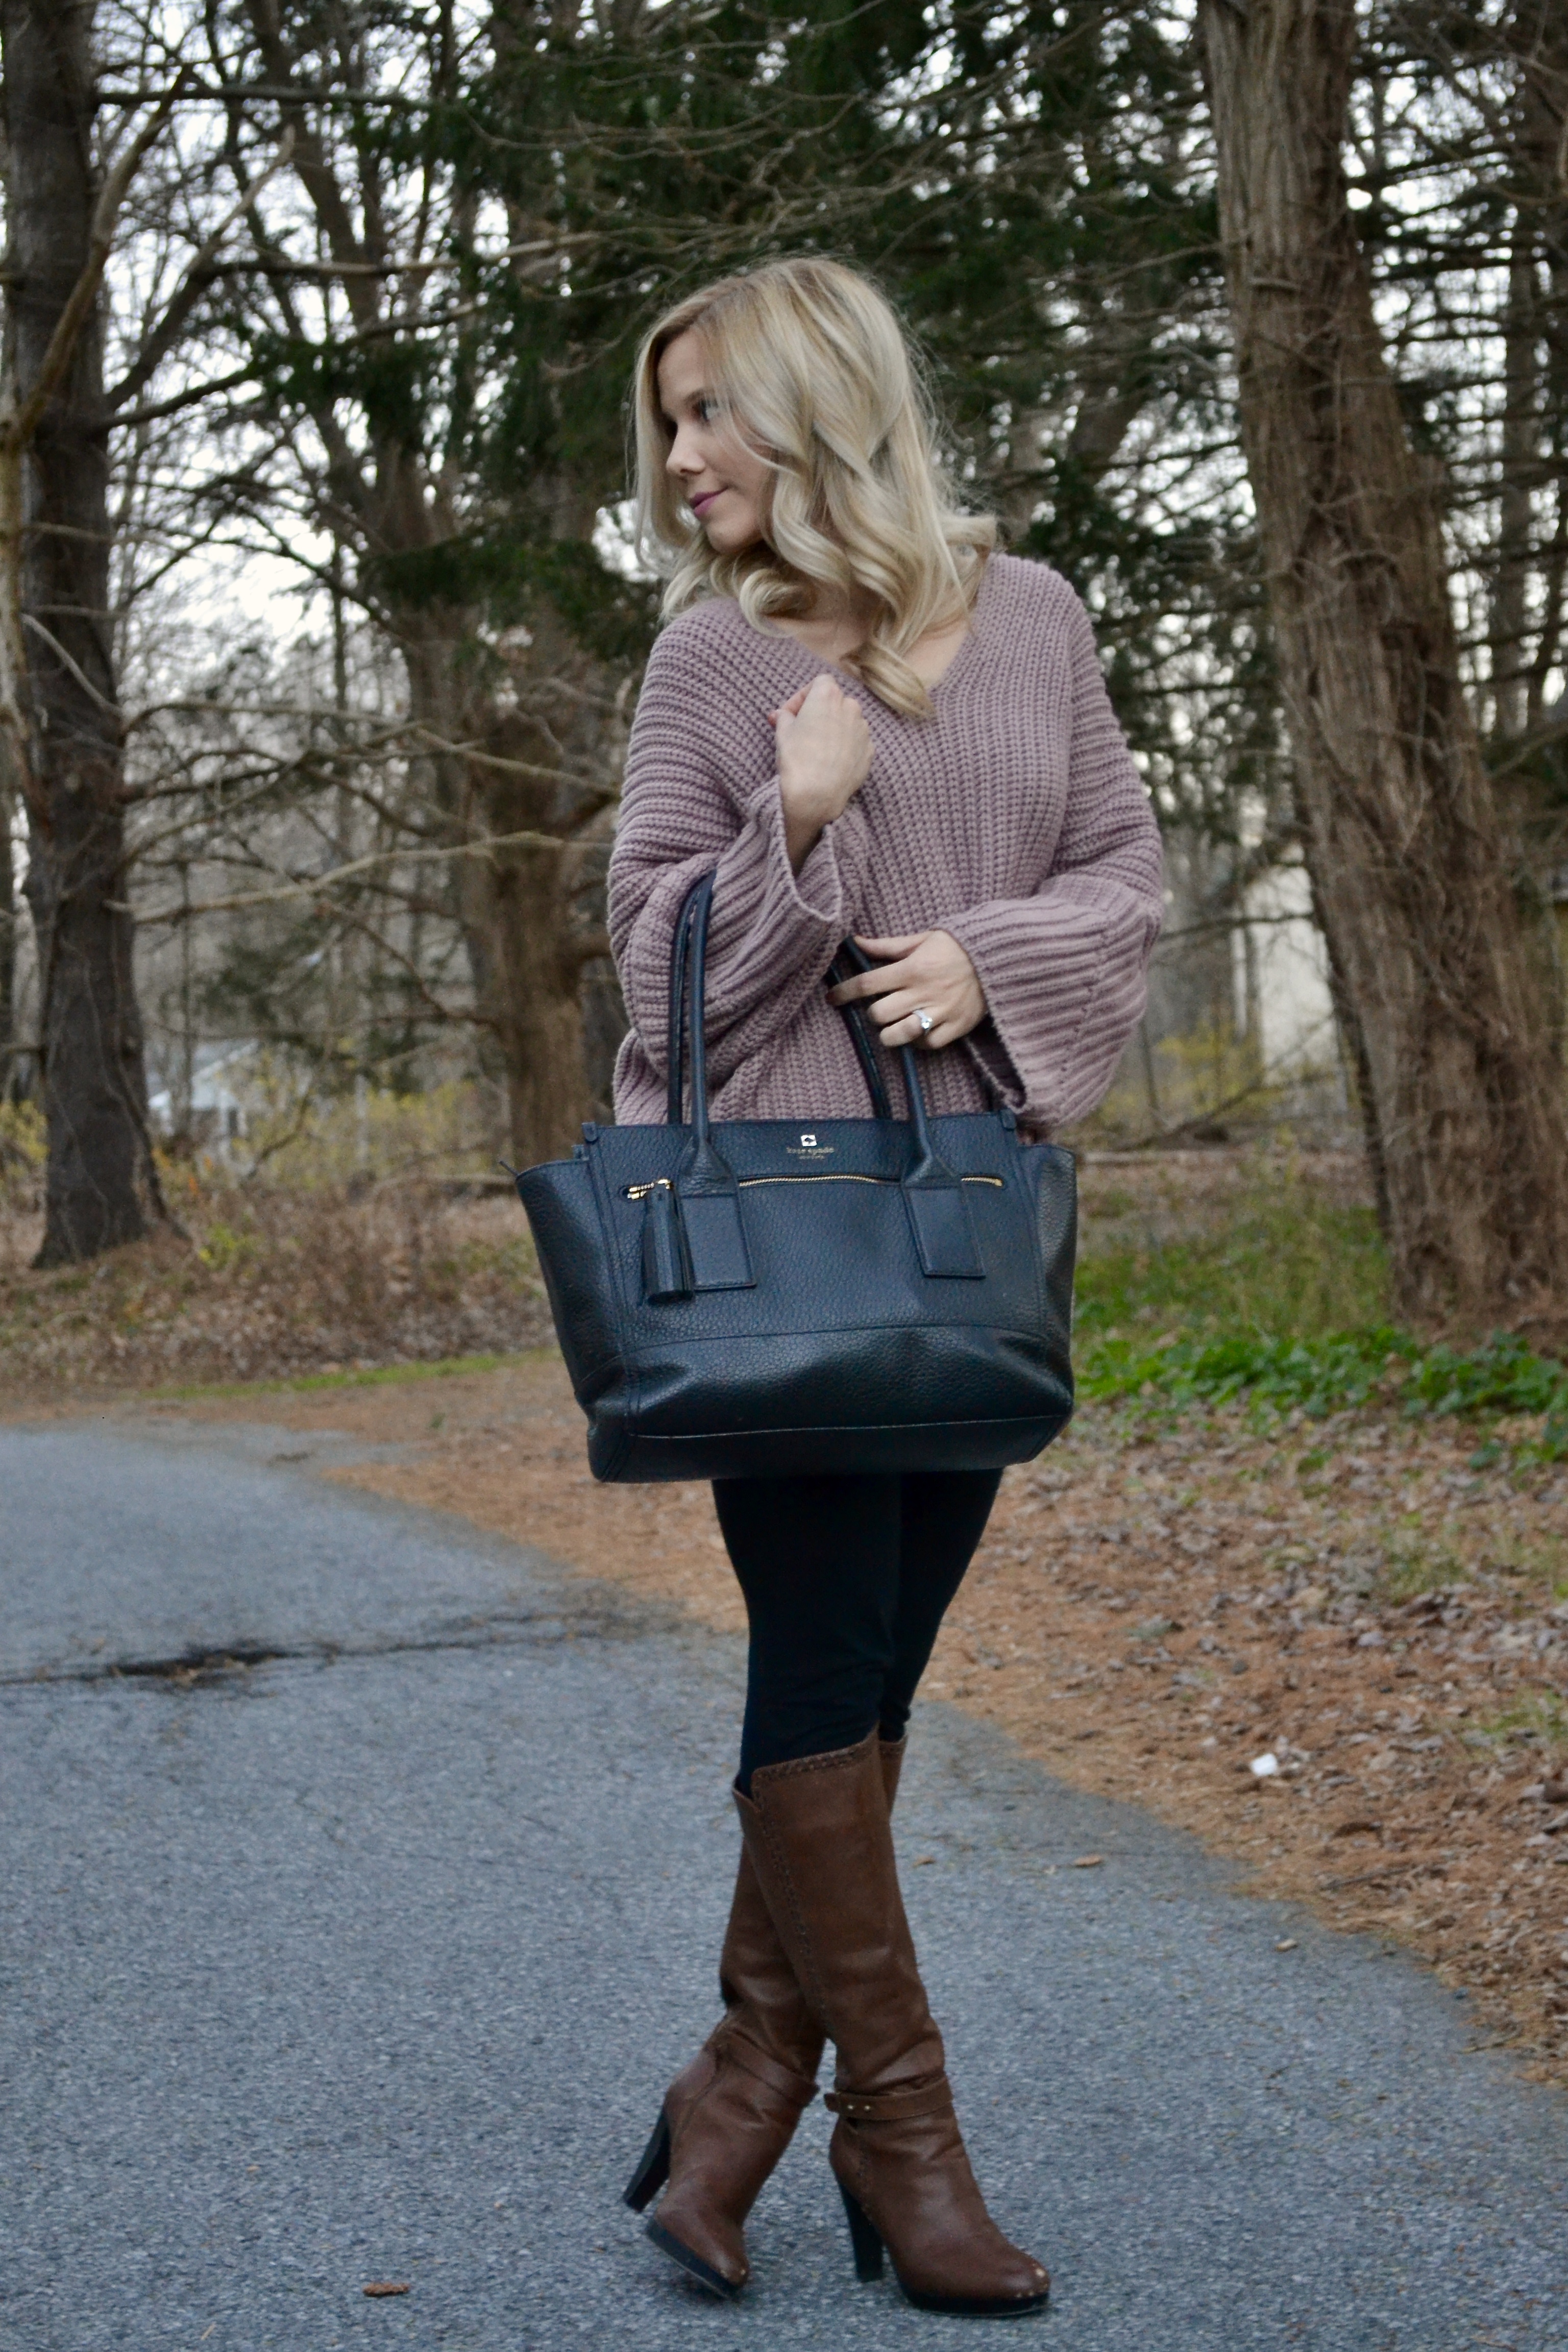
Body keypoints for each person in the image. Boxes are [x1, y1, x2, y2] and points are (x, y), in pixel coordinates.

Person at [606, 256, 1163, 2317]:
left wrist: (986, 965)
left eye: (708, 418)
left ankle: (740, 2082)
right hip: (782, 1248)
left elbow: (1125, 870)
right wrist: (798, 819)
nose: (677, 464)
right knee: (832, 1660)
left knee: (872, 1673)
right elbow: (656, 967)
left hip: (968, 1224)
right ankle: (904, 2143)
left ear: (819, 407)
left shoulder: (1030, 621)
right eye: (665, 425)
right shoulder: (703, 668)